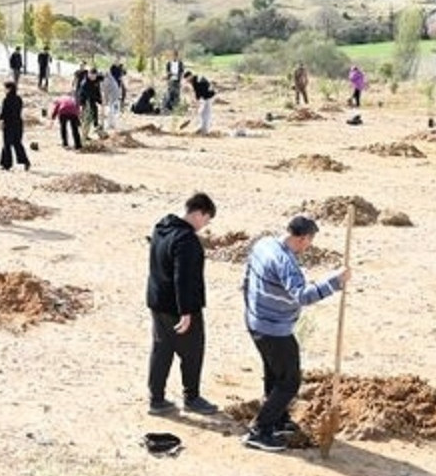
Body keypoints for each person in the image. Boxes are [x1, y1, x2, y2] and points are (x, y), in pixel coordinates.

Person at [240, 216, 350, 452]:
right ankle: (260, 430)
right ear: (302, 238)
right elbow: (303, 296)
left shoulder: (264, 244)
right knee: (289, 381)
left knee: (275, 372)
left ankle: (277, 419)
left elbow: (246, 278)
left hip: (256, 321)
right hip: (274, 329)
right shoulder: (285, 263)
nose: (309, 246)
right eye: (309, 241)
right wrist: (335, 281)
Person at [146, 192, 219, 416]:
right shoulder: (186, 240)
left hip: (157, 301)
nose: (204, 226)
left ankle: (156, 399)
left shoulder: (161, 227)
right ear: (198, 213)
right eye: (206, 220)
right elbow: (183, 278)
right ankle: (192, 397)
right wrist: (186, 312)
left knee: (162, 350)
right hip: (178, 307)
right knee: (193, 352)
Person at [0, 81, 31, 171]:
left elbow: (3, 113)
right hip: (18, 124)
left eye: (5, 88)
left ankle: (6, 164)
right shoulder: (19, 99)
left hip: (9, 124)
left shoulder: (6, 99)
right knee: (17, 143)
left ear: (9, 89)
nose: (4, 90)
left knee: (7, 144)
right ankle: (25, 161)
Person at [100, 67, 122, 131]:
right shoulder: (110, 79)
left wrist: (105, 100)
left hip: (114, 98)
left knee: (112, 112)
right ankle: (112, 124)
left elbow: (105, 90)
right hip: (115, 97)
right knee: (113, 112)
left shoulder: (108, 80)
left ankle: (112, 125)